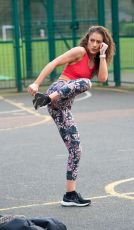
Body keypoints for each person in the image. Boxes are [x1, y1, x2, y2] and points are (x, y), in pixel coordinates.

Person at [28, 25, 115, 207]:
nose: (94, 44)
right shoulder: (79, 51)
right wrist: (36, 84)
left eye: (99, 42)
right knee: (85, 82)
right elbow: (53, 63)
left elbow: (103, 79)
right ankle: (46, 98)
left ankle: (70, 195)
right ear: (87, 39)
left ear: (103, 44)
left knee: (76, 150)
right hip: (56, 92)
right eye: (92, 40)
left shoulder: (98, 59)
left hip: (62, 107)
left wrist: (102, 55)